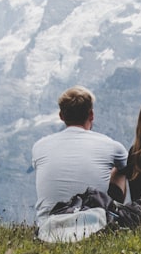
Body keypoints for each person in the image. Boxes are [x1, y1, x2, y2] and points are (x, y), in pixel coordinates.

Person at [32, 86, 128, 224]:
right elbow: (129, 169)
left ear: (61, 116)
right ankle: (113, 216)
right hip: (94, 226)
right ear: (91, 115)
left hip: (47, 228)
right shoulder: (112, 146)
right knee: (120, 170)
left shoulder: (39, 146)